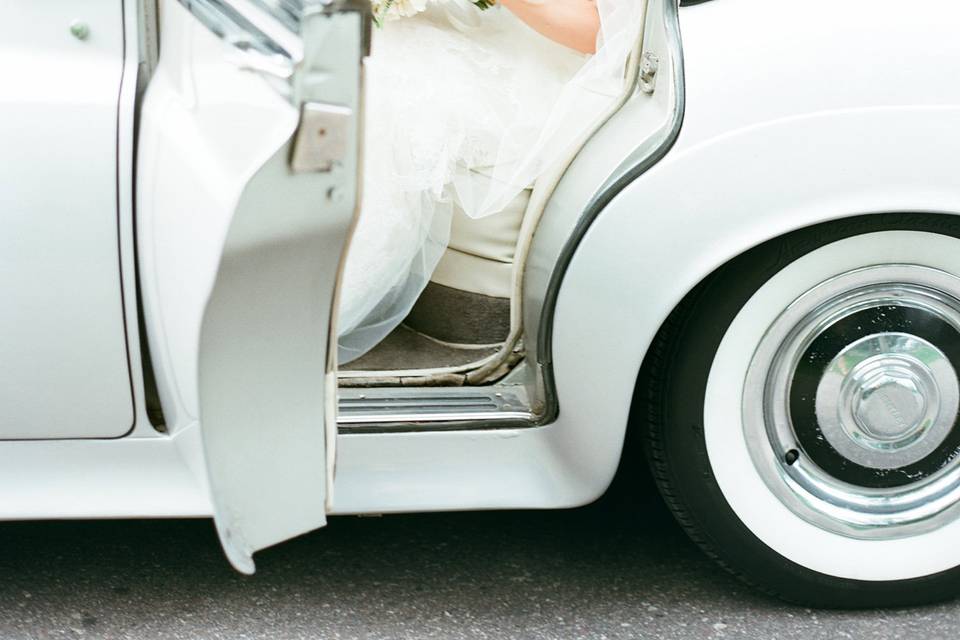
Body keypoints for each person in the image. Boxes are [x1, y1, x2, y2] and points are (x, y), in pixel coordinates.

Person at [337, 0, 643, 363]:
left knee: (386, 83)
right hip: (486, 26)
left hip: (554, 60)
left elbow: (603, 33)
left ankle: (315, 297)